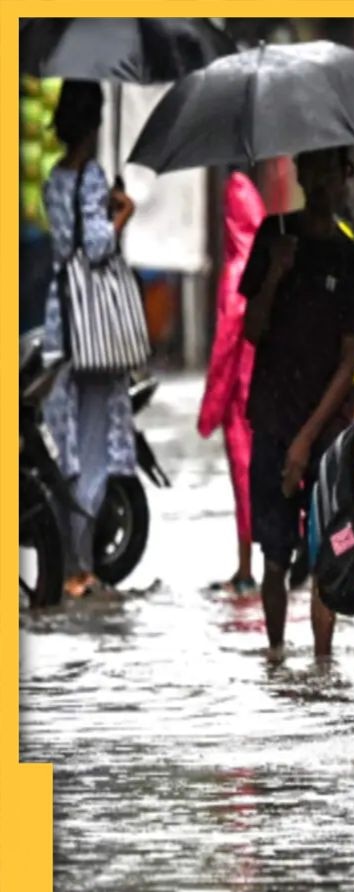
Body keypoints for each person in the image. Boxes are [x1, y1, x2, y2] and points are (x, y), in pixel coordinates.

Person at [240, 146, 354, 658]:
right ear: (298, 172)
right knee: (274, 556)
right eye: (311, 169)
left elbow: (352, 360)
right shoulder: (272, 237)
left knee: (332, 550)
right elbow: (252, 331)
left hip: (325, 435)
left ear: (345, 176)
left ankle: (322, 664)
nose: (321, 182)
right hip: (272, 420)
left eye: (331, 171)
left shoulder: (352, 259)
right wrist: (275, 275)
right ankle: (275, 656)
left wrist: (308, 439)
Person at [40, 80, 137, 600]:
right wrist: (122, 213)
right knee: (95, 449)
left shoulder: (52, 180)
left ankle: (64, 565)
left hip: (60, 320)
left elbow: (68, 243)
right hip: (94, 329)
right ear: (96, 124)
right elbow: (98, 247)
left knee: (66, 449)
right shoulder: (94, 177)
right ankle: (80, 569)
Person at [198, 168, 266, 596]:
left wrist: (210, 409)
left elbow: (225, 345)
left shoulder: (236, 273)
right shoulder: (266, 265)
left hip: (241, 396)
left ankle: (245, 569)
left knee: (244, 480)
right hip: (270, 388)